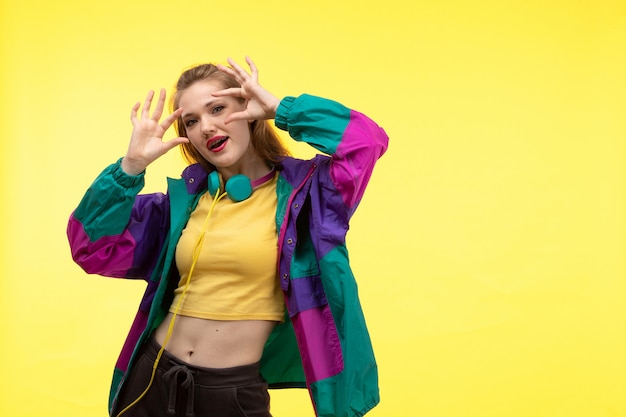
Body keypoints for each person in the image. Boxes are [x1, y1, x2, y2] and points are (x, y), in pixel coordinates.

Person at [67, 57, 388, 417]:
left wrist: (281, 109)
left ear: (249, 110)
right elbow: (89, 246)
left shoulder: (310, 197)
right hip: (151, 377)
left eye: (217, 109)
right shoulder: (178, 207)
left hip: (230, 394)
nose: (206, 127)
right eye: (191, 121)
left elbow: (367, 142)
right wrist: (130, 167)